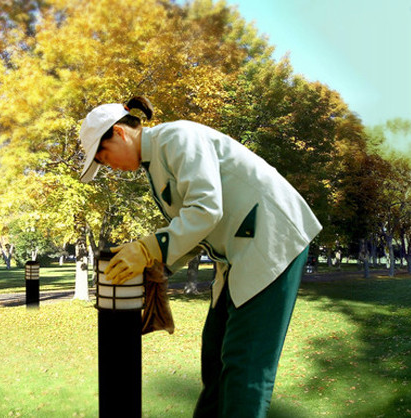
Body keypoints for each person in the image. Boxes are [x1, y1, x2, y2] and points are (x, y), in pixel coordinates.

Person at [78, 96, 322, 417]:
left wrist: (149, 248)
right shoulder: (157, 162)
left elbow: (206, 210)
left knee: (244, 368)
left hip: (272, 241)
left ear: (121, 133)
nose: (107, 166)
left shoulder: (178, 137)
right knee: (215, 358)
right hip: (236, 256)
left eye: (103, 155)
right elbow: (199, 228)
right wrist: (157, 265)